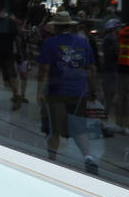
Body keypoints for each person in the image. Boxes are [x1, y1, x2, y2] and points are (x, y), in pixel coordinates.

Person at [38, 11, 100, 174]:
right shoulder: (83, 43)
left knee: (55, 130)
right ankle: (88, 158)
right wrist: (92, 89)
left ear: (56, 27)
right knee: (79, 128)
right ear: (69, 26)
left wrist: (40, 91)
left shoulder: (49, 43)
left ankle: (51, 160)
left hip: (57, 92)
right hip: (79, 92)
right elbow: (92, 69)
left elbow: (44, 70)